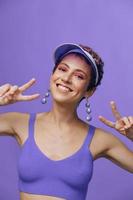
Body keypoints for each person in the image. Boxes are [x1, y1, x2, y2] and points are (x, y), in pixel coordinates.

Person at [0, 43, 133, 200]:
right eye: (62, 69)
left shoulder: (99, 139)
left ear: (89, 91)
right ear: (52, 75)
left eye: (79, 76)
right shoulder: (19, 122)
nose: (66, 78)